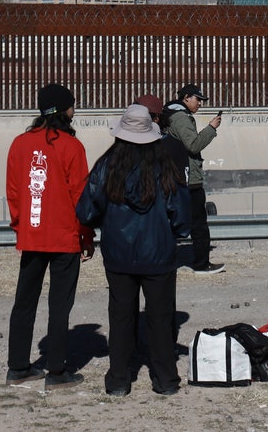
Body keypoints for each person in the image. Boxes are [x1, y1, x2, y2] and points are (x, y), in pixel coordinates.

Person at [75, 104, 191, 396]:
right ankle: (165, 380)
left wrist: (106, 223)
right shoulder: (166, 166)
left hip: (118, 254)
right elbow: (182, 216)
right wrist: (172, 234)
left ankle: (118, 380)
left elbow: (86, 210)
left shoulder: (107, 165)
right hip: (159, 255)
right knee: (161, 319)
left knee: (121, 317)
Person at [4, 83, 94, 390]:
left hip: (31, 236)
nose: (74, 110)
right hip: (64, 237)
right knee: (59, 305)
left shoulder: (19, 144)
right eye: (72, 105)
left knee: (24, 302)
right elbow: (81, 196)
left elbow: (14, 192)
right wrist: (87, 236)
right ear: (63, 110)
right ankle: (56, 372)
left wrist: (21, 227)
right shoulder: (72, 147)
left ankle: (17, 367)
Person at [163, 84, 225, 274]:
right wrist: (211, 128)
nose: (200, 103)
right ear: (186, 97)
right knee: (198, 224)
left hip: (178, 176)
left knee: (174, 222)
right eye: (197, 99)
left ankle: (164, 262)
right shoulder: (181, 117)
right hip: (188, 179)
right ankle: (201, 264)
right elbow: (193, 145)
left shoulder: (173, 114)